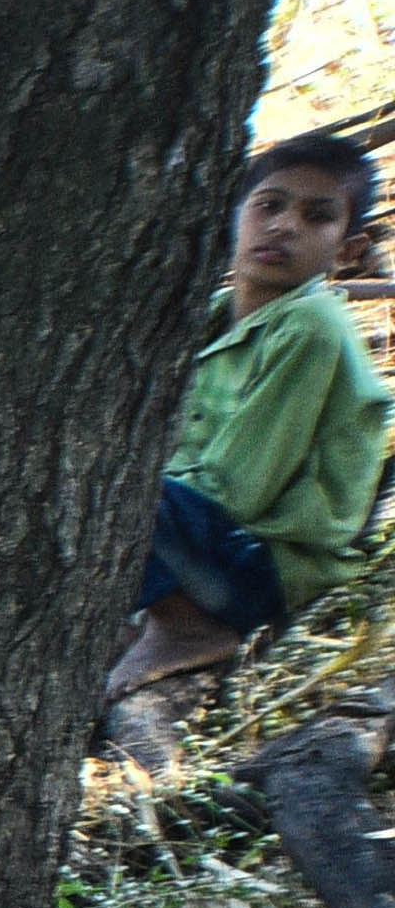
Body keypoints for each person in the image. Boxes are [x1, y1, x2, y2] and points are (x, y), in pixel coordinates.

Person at [110, 134, 389, 705]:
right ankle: (151, 611)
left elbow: (239, 490)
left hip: (260, 571)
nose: (285, 226)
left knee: (109, 485)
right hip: (205, 547)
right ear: (233, 215)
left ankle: (186, 625)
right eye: (270, 205)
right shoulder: (210, 316)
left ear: (347, 250)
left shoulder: (311, 324)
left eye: (317, 217)